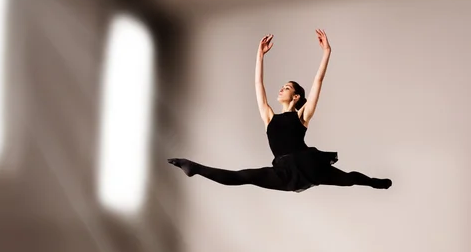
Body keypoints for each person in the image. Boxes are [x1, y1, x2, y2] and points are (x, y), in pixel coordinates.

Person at [168, 30, 392, 192]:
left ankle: (375, 182)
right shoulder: (268, 116)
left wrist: (326, 53)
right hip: (283, 171)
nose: (281, 88)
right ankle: (194, 167)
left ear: (295, 97)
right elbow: (258, 85)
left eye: (286, 87)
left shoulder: (302, 115)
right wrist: (260, 56)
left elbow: (318, 81)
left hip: (307, 164)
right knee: (241, 176)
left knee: (348, 178)